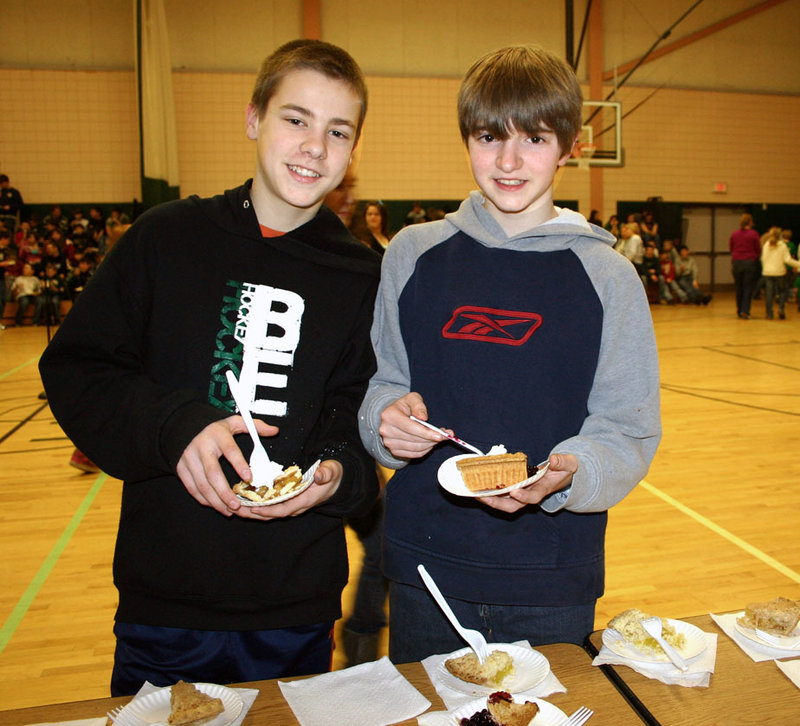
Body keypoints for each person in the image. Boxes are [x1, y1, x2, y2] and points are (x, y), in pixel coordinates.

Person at [39, 38, 380, 694]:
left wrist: (334, 471)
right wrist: (176, 426)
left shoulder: (364, 277)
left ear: (353, 148)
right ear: (253, 119)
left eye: (338, 130)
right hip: (165, 605)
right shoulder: (165, 238)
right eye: (296, 119)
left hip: (295, 610)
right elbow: (79, 370)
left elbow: (358, 429)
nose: (315, 146)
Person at [358, 44, 661, 663]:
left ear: (570, 145)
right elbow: (382, 386)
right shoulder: (412, 254)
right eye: (490, 135)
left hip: (551, 575)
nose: (509, 160)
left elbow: (627, 429)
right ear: (466, 137)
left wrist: (568, 471)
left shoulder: (608, 276)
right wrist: (386, 422)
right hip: (426, 569)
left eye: (536, 138)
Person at [760, 227, 800, 319]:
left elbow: (762, 258)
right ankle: (781, 309)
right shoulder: (782, 245)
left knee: (769, 293)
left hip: (768, 272)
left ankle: (769, 313)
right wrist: (798, 264)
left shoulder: (766, 245)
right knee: (782, 291)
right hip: (779, 272)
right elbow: (787, 260)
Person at [729, 213, 761, 319]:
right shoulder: (754, 234)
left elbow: (731, 247)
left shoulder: (734, 234)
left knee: (739, 287)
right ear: (750, 222)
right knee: (748, 287)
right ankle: (745, 310)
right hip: (749, 262)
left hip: (737, 262)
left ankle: (739, 310)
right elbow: (758, 248)